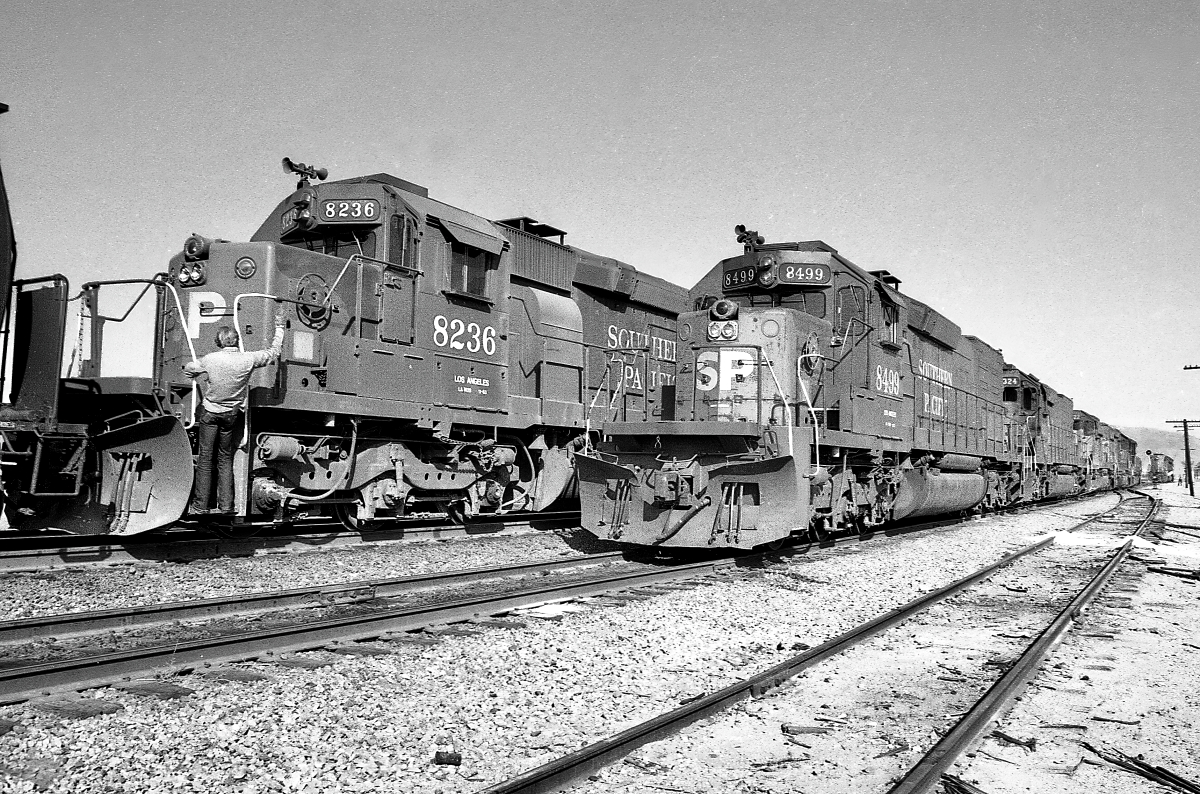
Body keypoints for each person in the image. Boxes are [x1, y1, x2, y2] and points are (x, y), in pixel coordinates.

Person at [184, 314, 286, 516]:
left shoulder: (210, 359)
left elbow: (189, 370)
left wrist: (195, 372)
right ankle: (227, 506)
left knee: (205, 458)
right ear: (237, 341)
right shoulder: (248, 359)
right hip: (231, 415)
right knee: (225, 458)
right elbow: (274, 352)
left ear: (218, 342)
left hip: (210, 413)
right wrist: (280, 328)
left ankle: (200, 506)